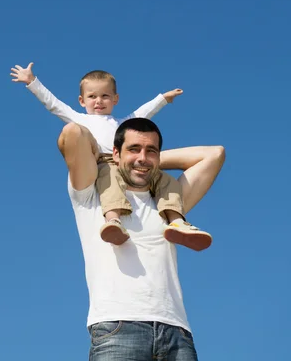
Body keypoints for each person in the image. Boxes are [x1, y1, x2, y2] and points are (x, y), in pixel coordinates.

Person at [59, 116, 224, 360]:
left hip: (177, 333)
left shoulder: (169, 204)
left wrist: (143, 162)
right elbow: (73, 133)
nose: (142, 157)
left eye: (151, 151)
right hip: (117, 328)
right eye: (134, 149)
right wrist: (116, 159)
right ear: (116, 153)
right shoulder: (92, 194)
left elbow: (214, 154)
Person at [10, 62, 211, 250]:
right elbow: (53, 104)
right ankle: (113, 220)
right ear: (82, 101)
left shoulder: (123, 122)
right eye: (92, 96)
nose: (99, 101)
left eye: (105, 96)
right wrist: (32, 82)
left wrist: (163, 99)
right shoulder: (80, 118)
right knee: (111, 181)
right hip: (102, 163)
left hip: (126, 162)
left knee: (166, 180)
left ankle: (176, 221)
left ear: (115, 99)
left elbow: (143, 113)